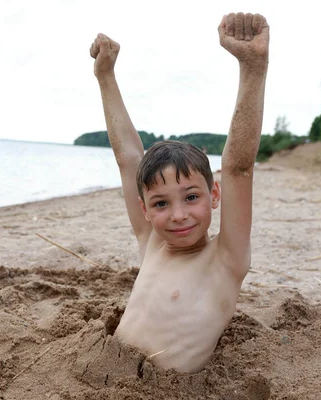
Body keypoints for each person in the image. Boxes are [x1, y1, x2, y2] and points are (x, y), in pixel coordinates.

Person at [89, 12, 269, 373]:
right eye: (160, 203)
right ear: (144, 209)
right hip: (103, 374)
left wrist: (252, 68)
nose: (178, 214)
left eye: (191, 196)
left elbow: (238, 166)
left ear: (214, 195)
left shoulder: (226, 259)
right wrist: (105, 76)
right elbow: (128, 159)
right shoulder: (152, 243)